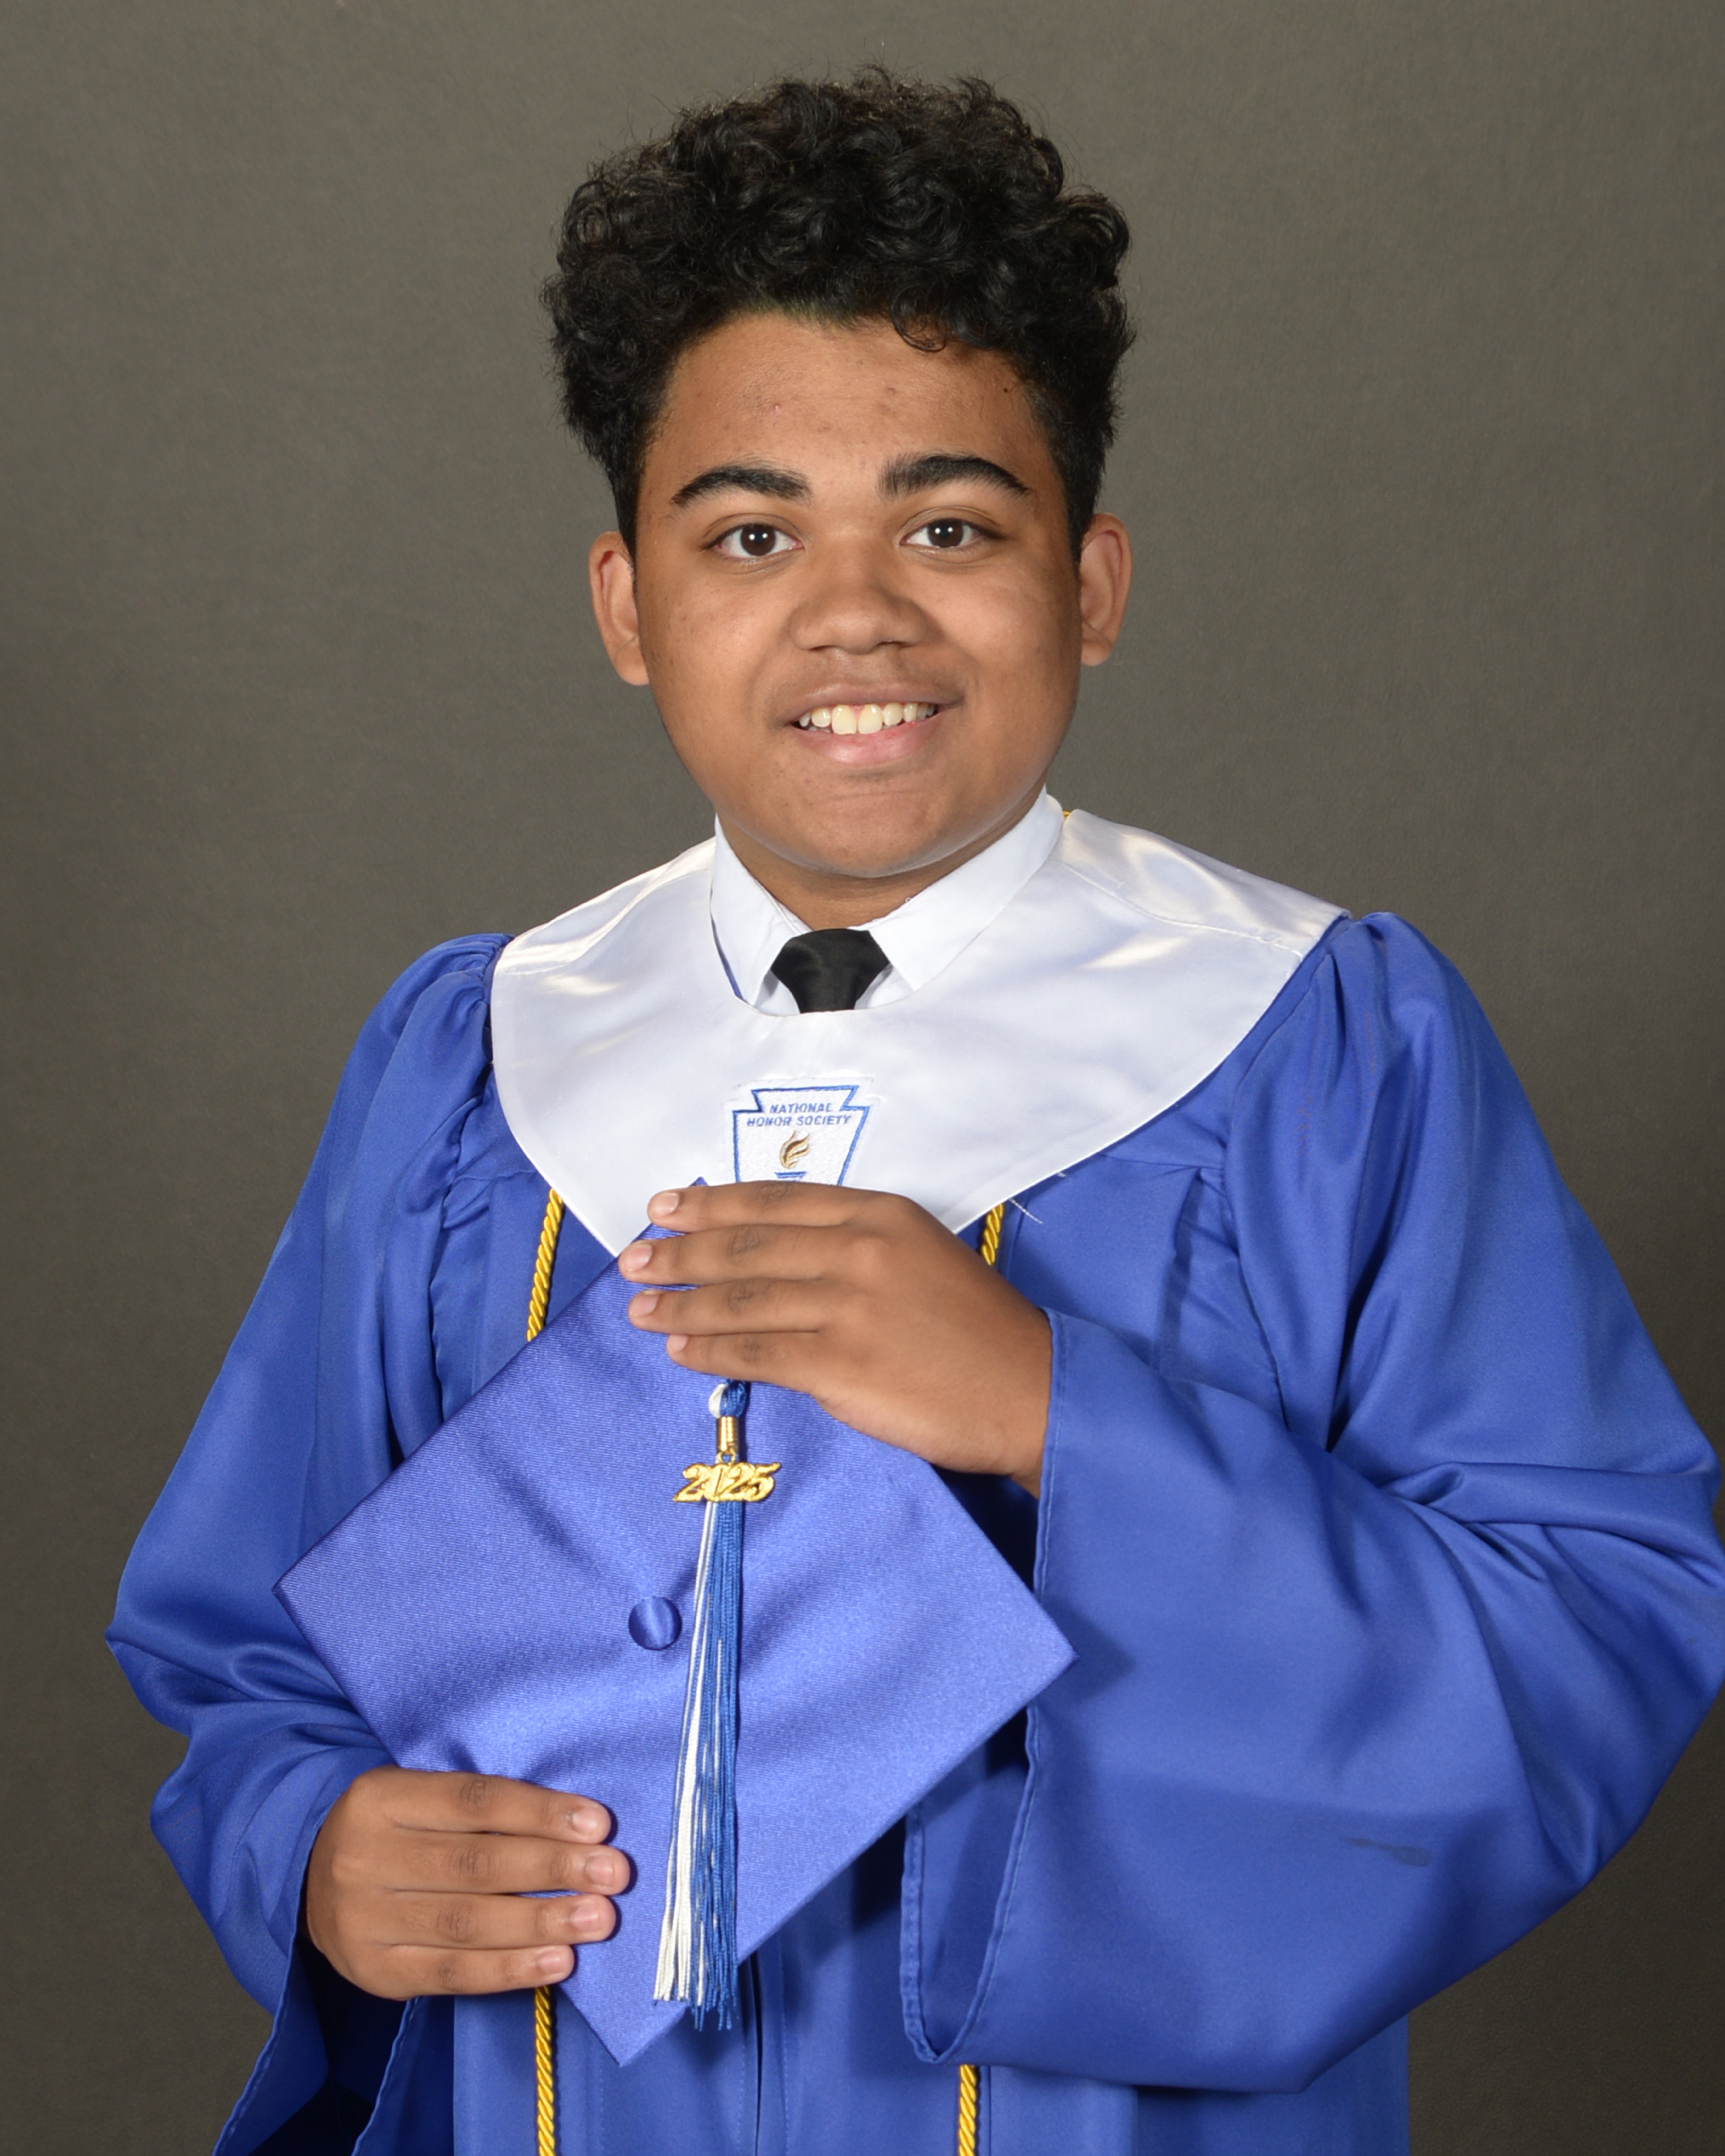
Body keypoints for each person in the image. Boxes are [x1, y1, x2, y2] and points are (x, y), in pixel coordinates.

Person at [109, 70, 1725, 2156]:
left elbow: (1588, 1632)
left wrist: (1062, 1415)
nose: (856, 609)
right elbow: (251, 1648)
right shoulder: (470, 1067)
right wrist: (316, 1848)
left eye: (950, 527)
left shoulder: (1321, 1044)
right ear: (626, 606)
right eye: (751, 534)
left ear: (1091, 584)